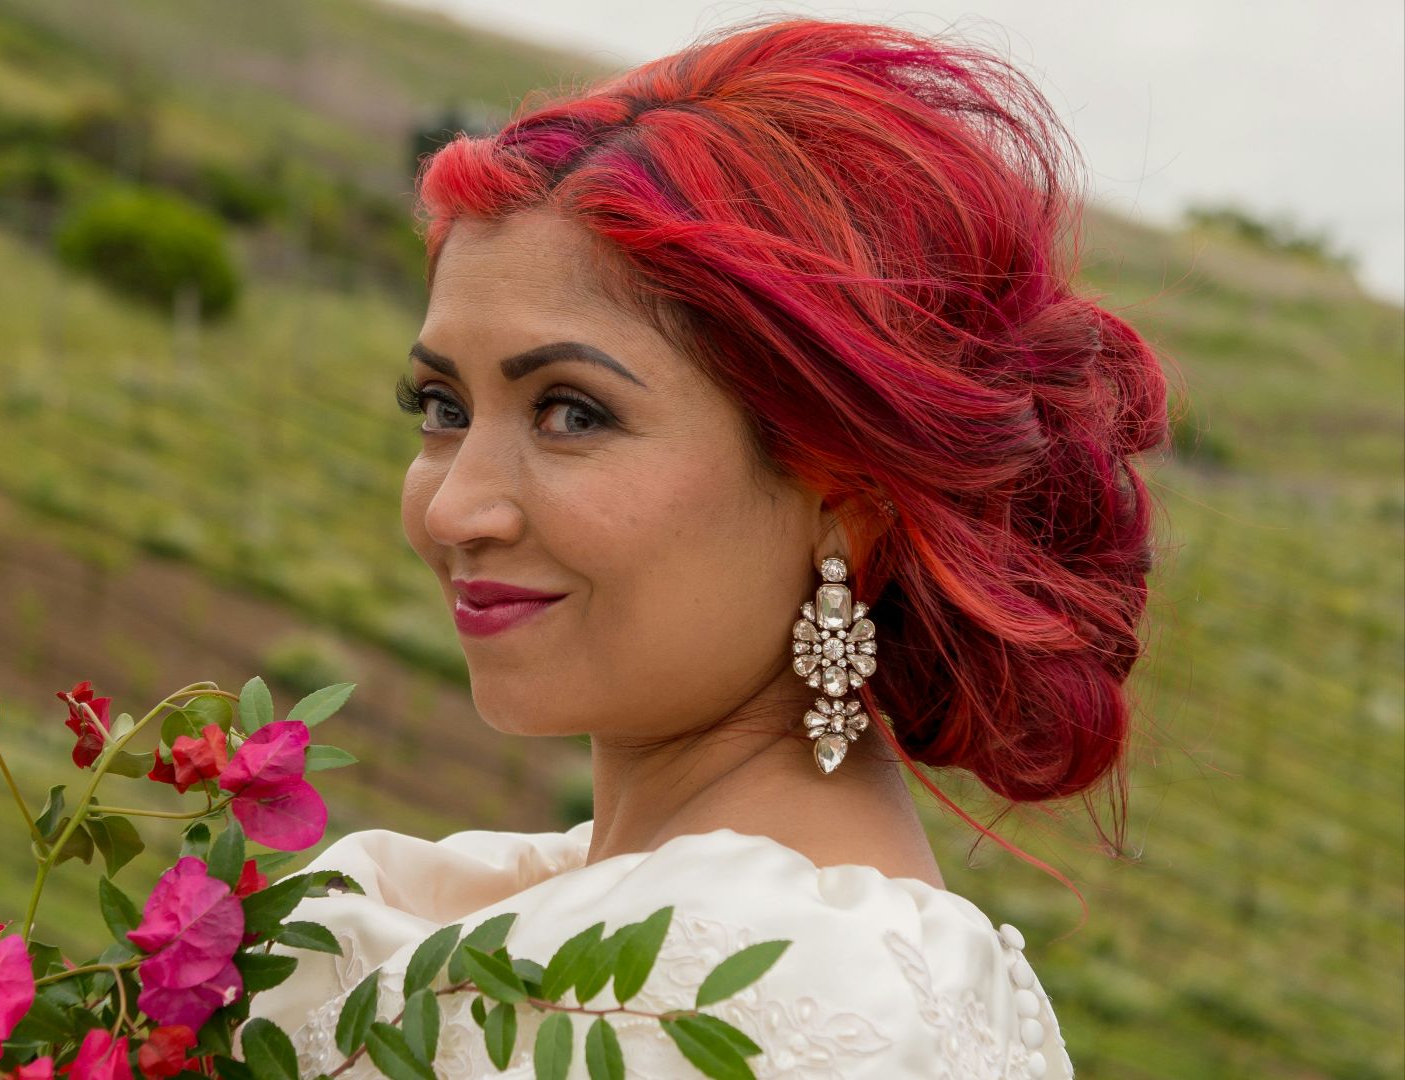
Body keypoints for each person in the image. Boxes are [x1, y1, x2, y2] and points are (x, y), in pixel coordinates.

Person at [247, 14, 1172, 1078]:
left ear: (849, 493)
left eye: (572, 414)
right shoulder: (557, 917)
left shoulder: (742, 1007)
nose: (456, 510)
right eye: (442, 405)